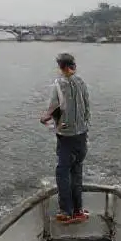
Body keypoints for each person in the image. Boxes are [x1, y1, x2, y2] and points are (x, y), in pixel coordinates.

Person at [40, 52, 90, 223]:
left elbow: (52, 108)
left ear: (61, 67)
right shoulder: (81, 82)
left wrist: (45, 118)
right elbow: (87, 107)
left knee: (62, 172)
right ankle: (78, 211)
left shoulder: (58, 85)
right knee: (77, 172)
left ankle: (66, 211)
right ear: (73, 66)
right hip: (82, 135)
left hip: (66, 137)